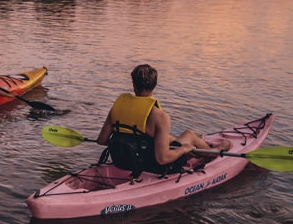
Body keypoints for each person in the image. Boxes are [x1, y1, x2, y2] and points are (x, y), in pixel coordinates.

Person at [96, 64, 231, 178]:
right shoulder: (160, 117)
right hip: (152, 167)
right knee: (189, 134)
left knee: (167, 138)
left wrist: (125, 147)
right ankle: (215, 150)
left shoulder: (118, 107)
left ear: (133, 84)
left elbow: (102, 140)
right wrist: (183, 149)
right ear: (154, 85)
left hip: (122, 161)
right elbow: (162, 159)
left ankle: (196, 144)